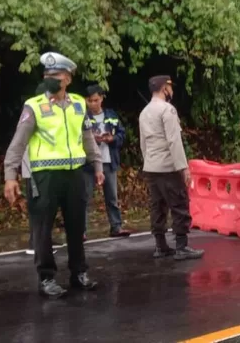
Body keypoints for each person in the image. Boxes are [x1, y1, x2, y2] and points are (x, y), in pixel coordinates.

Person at [3, 52, 104, 298]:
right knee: (42, 228)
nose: (49, 78)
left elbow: (87, 138)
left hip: (74, 175)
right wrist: (10, 174)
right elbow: (18, 142)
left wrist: (98, 164)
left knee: (76, 225)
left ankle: (79, 273)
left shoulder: (79, 104)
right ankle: (46, 277)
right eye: (46, 75)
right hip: (44, 176)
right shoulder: (34, 105)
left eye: (55, 75)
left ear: (67, 78)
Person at [138, 75, 203, 261]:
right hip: (168, 166)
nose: (172, 90)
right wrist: (183, 167)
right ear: (164, 88)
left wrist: (147, 162)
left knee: (157, 206)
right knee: (179, 204)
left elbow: (143, 143)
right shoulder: (167, 110)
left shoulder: (144, 112)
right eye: (170, 86)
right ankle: (181, 246)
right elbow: (174, 141)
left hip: (151, 166)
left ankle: (161, 245)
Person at [83, 84, 132, 238]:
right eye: (90, 101)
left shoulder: (111, 115)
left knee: (112, 197)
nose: (93, 104)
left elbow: (122, 134)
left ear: (102, 98)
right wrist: (92, 141)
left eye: (96, 100)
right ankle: (81, 231)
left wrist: (113, 139)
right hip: (88, 163)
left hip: (109, 161)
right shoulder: (83, 117)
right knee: (84, 198)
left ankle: (116, 227)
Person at [22, 81, 47, 256]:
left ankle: (42, 240)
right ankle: (34, 243)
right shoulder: (32, 112)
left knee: (43, 207)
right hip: (33, 169)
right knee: (36, 207)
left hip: (40, 169)